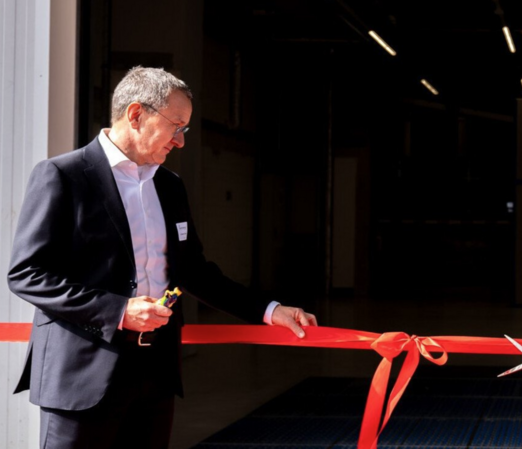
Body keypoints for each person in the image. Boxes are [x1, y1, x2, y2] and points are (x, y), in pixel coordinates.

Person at [7, 66, 318, 449]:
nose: (181, 141)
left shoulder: (169, 187)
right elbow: (27, 273)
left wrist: (270, 310)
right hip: (82, 376)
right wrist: (118, 311)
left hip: (154, 377)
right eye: (177, 127)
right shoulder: (63, 175)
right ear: (136, 114)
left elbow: (195, 272)